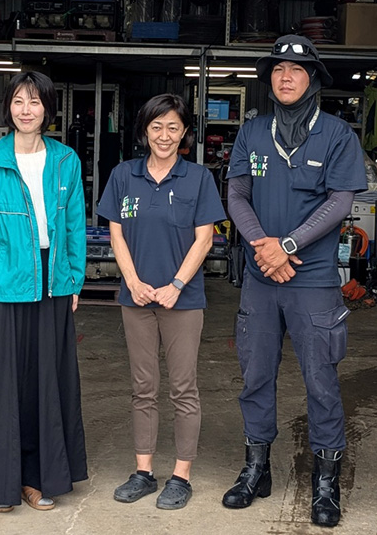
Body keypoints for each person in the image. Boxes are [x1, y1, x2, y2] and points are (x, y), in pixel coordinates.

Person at [222, 34, 367, 527]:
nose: (286, 77)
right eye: (278, 69)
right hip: (262, 280)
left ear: (313, 80)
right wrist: (264, 247)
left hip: (313, 280)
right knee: (255, 377)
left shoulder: (337, 135)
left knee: (321, 381)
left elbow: (340, 202)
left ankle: (325, 483)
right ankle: (256, 469)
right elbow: (237, 195)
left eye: (297, 70)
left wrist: (286, 245)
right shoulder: (252, 132)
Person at [0, 71, 87, 512]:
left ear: (48, 109)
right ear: (8, 108)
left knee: (46, 381)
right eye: (18, 101)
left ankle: (37, 478)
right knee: (7, 383)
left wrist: (73, 279)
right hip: (6, 282)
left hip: (53, 282)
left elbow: (74, 224)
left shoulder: (66, 160)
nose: (26, 110)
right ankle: (4, 482)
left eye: (35, 102)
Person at [97, 94, 226, 510]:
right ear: (144, 130)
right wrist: (132, 281)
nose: (164, 135)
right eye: (157, 127)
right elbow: (116, 233)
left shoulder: (198, 178)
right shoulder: (124, 175)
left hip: (182, 301)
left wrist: (176, 284)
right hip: (136, 298)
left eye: (173, 127)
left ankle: (181, 476)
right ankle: (143, 472)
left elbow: (204, 239)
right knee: (143, 387)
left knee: (184, 388)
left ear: (184, 132)